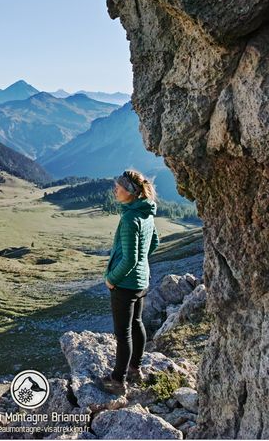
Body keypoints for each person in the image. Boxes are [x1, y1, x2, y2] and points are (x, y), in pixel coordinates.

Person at [98, 169, 159, 396]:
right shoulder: (146, 214)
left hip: (124, 284)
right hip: (142, 282)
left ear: (129, 192)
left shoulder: (130, 219)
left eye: (119, 187)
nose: (115, 190)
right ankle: (135, 368)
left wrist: (112, 279)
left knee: (123, 333)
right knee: (137, 324)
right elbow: (155, 242)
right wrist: (143, 260)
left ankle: (117, 380)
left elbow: (130, 259)